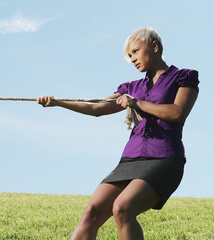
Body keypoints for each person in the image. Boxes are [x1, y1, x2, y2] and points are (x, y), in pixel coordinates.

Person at [36, 27, 199, 240]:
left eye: (136, 52)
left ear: (155, 47)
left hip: (165, 159)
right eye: (129, 56)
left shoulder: (183, 77)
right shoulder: (130, 87)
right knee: (92, 212)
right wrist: (58, 103)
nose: (132, 59)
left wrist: (137, 103)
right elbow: (96, 108)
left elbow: (177, 113)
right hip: (130, 159)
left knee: (123, 207)